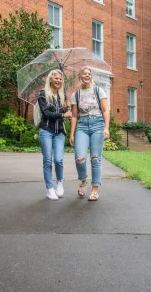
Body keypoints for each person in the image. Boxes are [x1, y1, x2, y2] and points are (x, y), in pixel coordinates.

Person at [69, 66, 110, 201]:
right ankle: (83, 181)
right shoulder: (76, 94)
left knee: (95, 158)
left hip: (98, 124)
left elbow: (105, 110)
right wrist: (72, 134)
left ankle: (95, 190)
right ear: (80, 76)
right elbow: (74, 116)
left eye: (89, 74)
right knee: (80, 158)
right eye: (84, 74)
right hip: (82, 126)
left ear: (91, 76)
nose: (87, 75)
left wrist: (106, 128)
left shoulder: (99, 90)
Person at [38, 70, 72, 200]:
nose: (58, 81)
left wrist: (66, 108)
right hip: (46, 130)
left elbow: (63, 113)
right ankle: (49, 188)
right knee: (47, 160)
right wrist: (63, 114)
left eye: (60, 79)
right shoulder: (43, 94)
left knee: (58, 159)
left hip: (59, 132)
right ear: (50, 80)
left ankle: (59, 183)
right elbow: (47, 114)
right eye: (56, 78)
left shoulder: (62, 95)